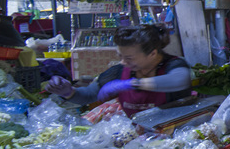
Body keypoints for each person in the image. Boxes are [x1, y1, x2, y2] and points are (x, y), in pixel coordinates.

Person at [44, 25, 191, 117]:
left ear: (152, 53)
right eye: (120, 56)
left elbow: (179, 80)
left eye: (129, 58)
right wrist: (67, 92)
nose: (123, 62)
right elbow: (88, 96)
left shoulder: (174, 65)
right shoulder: (118, 72)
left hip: (176, 135)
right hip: (139, 137)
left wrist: (130, 84)